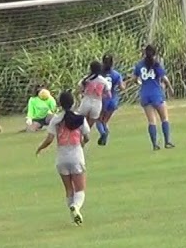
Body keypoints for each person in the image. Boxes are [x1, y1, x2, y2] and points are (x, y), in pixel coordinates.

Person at [35, 90, 90, 225]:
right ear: (73, 103)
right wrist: (82, 143)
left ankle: (74, 218)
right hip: (76, 154)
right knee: (80, 189)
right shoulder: (80, 118)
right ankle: (76, 207)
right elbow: (87, 136)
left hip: (61, 157)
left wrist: (40, 148)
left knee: (69, 189)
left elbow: (49, 139)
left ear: (60, 103)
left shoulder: (56, 119)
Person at [134, 45, 175, 150]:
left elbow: (135, 78)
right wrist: (170, 88)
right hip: (156, 93)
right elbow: (164, 78)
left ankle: (155, 144)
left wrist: (140, 83)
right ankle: (167, 141)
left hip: (145, 94)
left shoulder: (139, 65)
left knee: (152, 121)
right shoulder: (156, 65)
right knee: (164, 118)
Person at [96, 53, 124, 146]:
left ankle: (103, 133)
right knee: (105, 121)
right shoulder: (116, 74)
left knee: (99, 120)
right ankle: (105, 134)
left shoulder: (98, 74)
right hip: (113, 99)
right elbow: (122, 87)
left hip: (102, 99)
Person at [77, 60, 112, 133]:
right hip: (97, 103)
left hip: (86, 100)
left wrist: (83, 94)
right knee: (89, 127)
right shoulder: (103, 80)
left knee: (81, 123)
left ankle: (78, 139)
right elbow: (109, 95)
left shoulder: (86, 78)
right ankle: (84, 140)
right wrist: (101, 95)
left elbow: (79, 88)